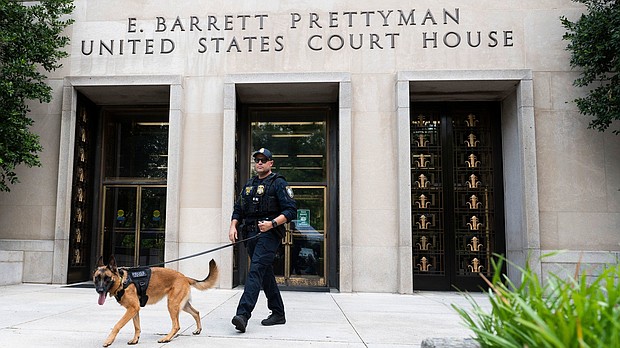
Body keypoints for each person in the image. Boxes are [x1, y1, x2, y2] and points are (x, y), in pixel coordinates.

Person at [228, 147, 297, 333]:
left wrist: (272, 224)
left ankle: (242, 315)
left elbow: (291, 211)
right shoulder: (249, 185)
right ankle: (278, 312)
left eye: (263, 160)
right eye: (257, 160)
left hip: (269, 234)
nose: (259, 162)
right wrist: (233, 225)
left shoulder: (278, 183)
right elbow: (238, 208)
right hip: (250, 235)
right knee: (264, 273)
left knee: (256, 270)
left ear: (270, 163)